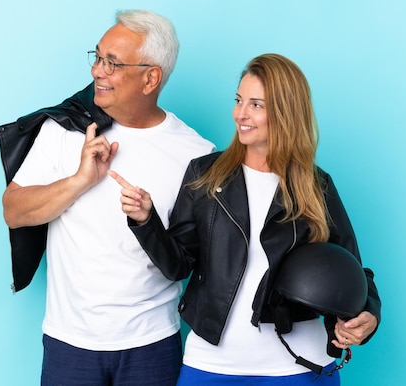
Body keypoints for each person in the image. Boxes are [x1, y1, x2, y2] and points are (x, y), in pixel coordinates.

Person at [110, 54, 381, 385]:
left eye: (256, 105)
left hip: (298, 367)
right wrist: (145, 221)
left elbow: (353, 269)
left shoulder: (316, 186)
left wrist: (369, 316)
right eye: (239, 101)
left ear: (284, 112)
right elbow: (178, 266)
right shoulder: (204, 175)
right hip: (212, 363)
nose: (241, 114)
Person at [2, 9, 215, 386]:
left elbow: (190, 259)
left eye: (112, 63)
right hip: (70, 342)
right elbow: (14, 211)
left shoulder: (195, 154)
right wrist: (80, 180)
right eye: (97, 57)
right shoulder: (64, 129)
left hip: (152, 344)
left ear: (151, 78)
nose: (96, 71)